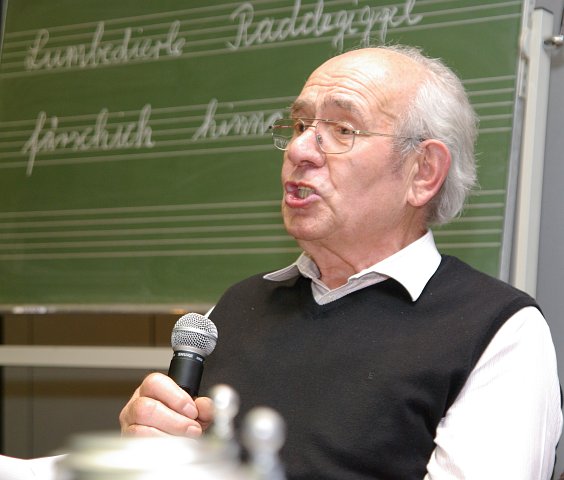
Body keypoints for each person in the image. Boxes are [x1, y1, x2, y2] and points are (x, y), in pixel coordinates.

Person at [1, 45, 561, 479]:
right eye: (298, 125)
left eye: (342, 129)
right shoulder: (237, 307)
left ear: (423, 172)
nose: (298, 150)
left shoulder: (498, 333)